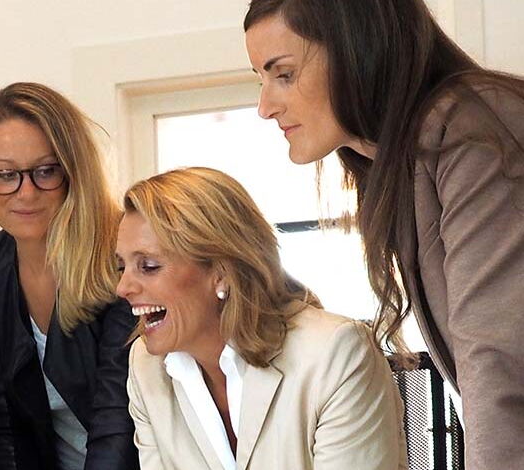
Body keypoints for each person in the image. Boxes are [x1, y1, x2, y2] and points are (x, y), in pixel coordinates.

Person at [240, 0, 524, 467]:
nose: (265, 106)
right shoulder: (408, 165)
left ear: (356, 50)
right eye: (261, 79)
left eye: (284, 74)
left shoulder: (473, 126)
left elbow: (498, 367)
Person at [118, 167, 403, 470]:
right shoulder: (145, 366)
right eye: (121, 267)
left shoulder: (335, 354)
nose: (122, 288)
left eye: (148, 266)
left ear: (222, 273)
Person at [0, 82, 139, 470]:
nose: (26, 193)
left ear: (74, 171)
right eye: (6, 175)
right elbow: (5, 423)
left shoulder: (124, 258)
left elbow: (117, 421)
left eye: (45, 171)